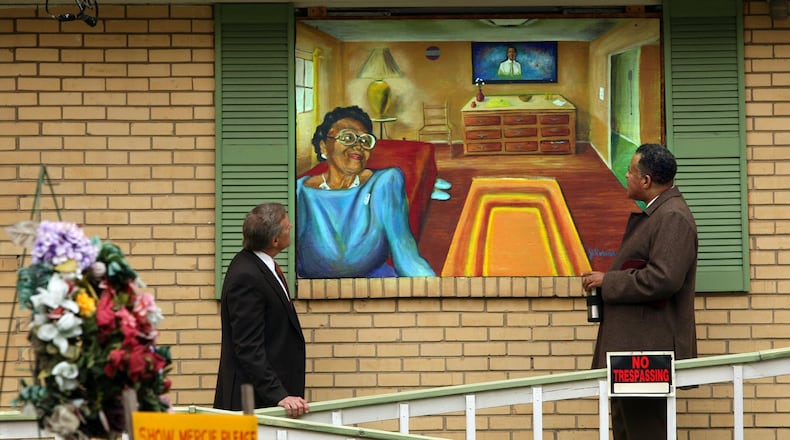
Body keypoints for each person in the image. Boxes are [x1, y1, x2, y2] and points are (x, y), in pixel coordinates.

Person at [581, 143, 698, 440]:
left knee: (642, 431)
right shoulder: (660, 213)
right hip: (635, 350)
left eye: (631, 171)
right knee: (627, 428)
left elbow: (664, 279)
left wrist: (609, 282)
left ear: (646, 180)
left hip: (646, 351)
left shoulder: (672, 217)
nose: (626, 175)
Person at [296, 105, 435, 278]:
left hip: (376, 287)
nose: (358, 146)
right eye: (348, 137)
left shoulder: (385, 183)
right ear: (324, 147)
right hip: (314, 293)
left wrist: (434, 292)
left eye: (365, 140)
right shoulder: (300, 191)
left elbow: (405, 253)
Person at [214, 203, 309, 418]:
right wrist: (279, 395)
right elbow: (248, 347)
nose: (291, 227)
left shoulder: (258, 265)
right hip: (254, 403)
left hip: (266, 399)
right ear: (274, 240)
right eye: (286, 227)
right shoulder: (246, 276)